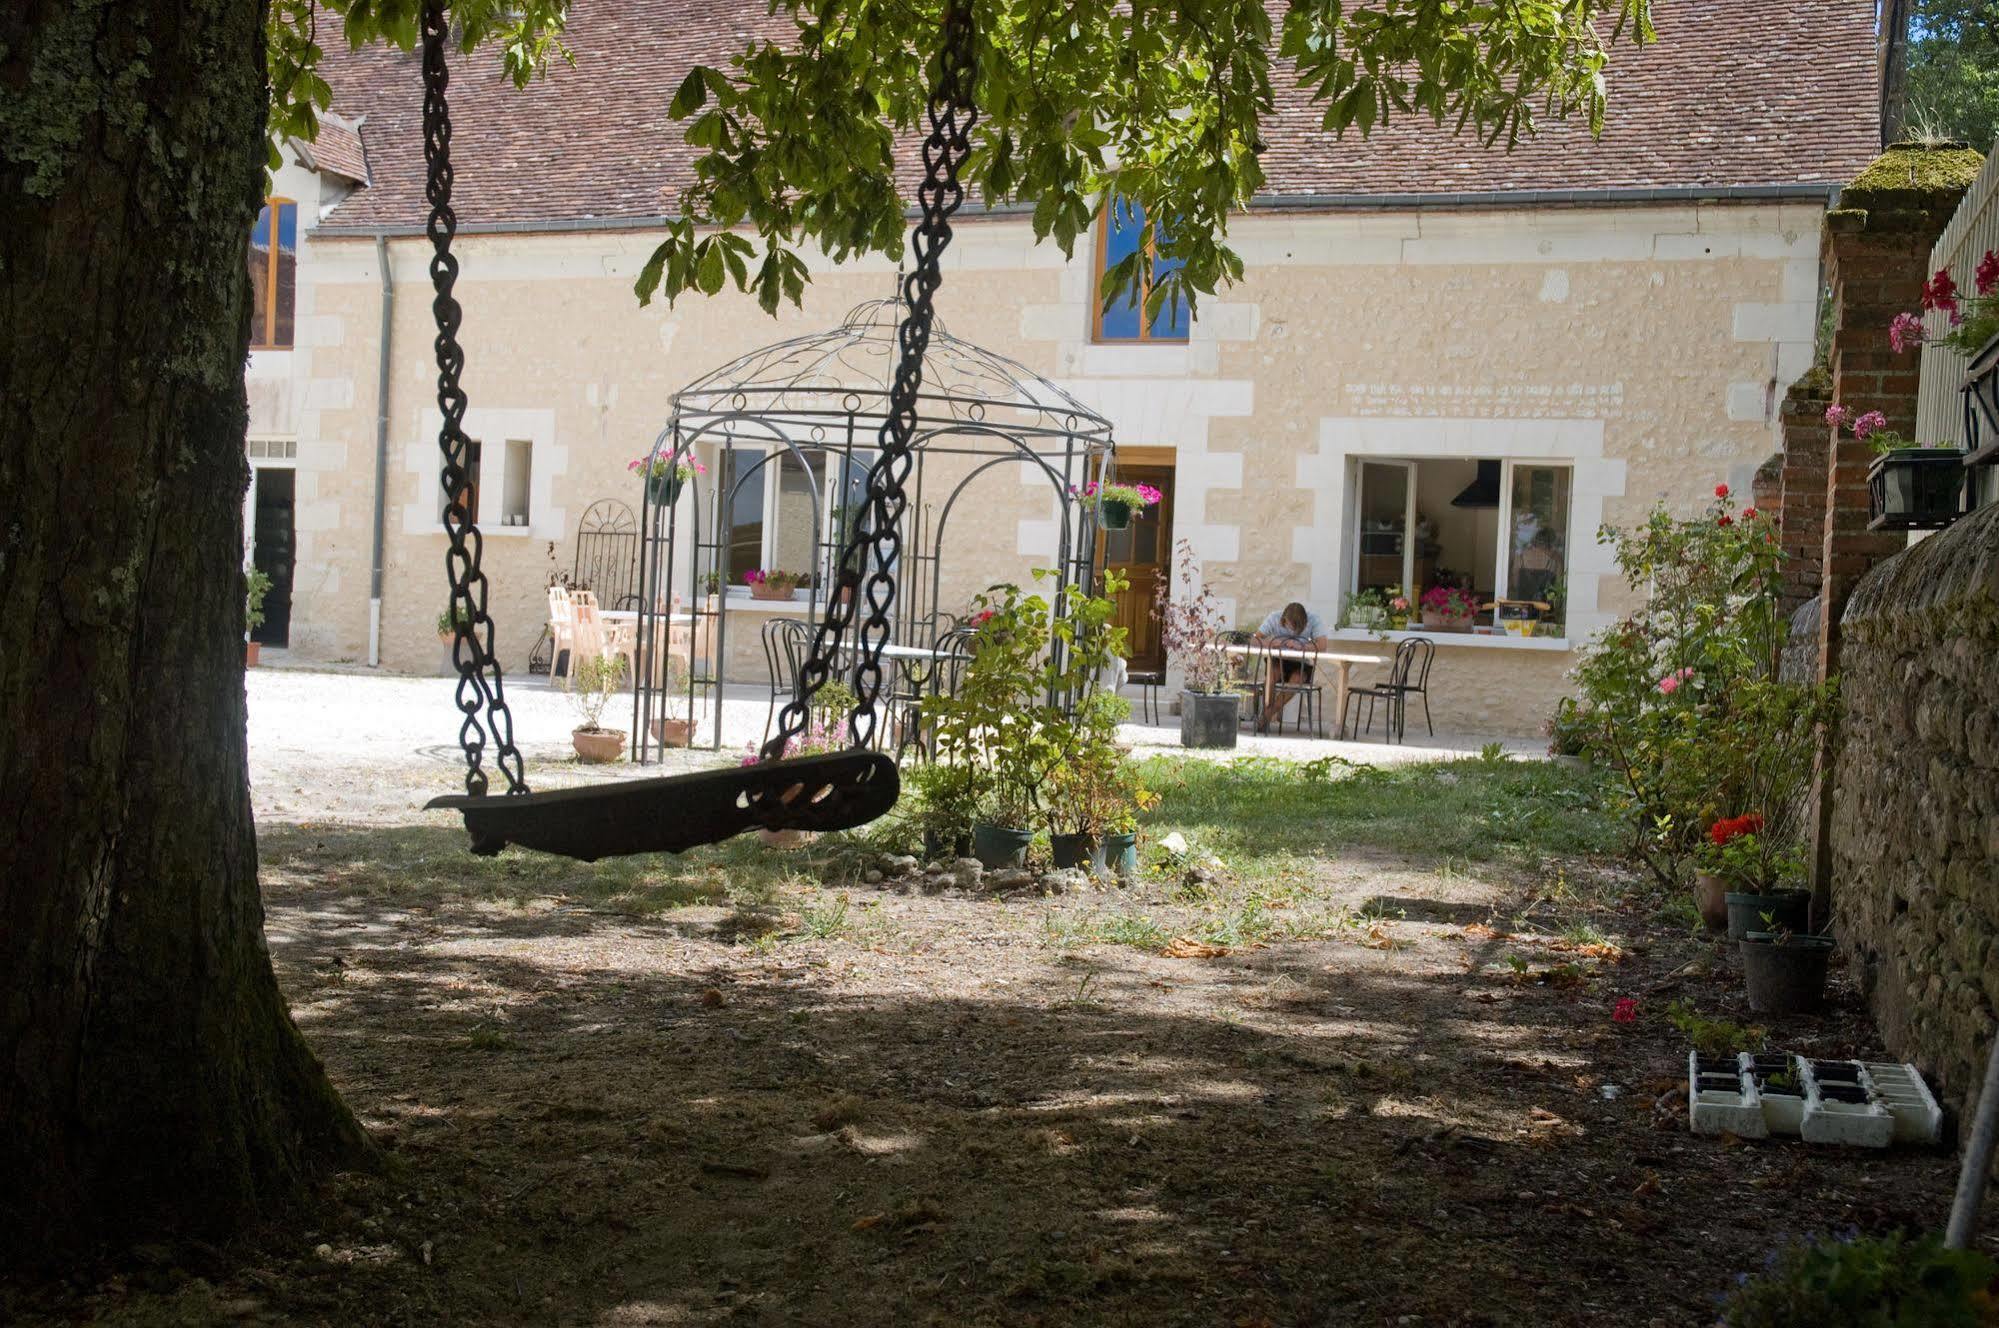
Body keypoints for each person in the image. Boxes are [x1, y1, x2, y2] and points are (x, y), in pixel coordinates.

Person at [1250, 601, 1329, 732]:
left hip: (1301, 663)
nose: (1294, 631)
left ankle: (1267, 714)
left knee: (1296, 680)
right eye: (1291, 627)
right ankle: (1267, 714)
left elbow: (1322, 645)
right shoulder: (1274, 617)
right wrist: (1271, 642)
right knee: (1272, 675)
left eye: (1298, 629)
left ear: (1305, 621)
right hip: (1278, 660)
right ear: (1284, 619)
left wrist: (1301, 646)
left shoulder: (1314, 620)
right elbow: (1254, 639)